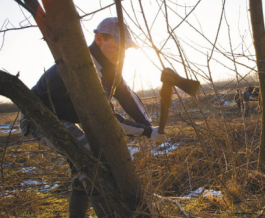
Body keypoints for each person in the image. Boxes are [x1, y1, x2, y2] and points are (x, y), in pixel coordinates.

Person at [20, 17, 165, 218]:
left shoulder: (109, 69)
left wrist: (149, 125)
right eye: (119, 47)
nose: (122, 53)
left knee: (82, 170)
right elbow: (106, 119)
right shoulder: (82, 68)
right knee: (89, 159)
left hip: (64, 119)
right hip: (37, 117)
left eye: (126, 49)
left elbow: (127, 97)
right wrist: (148, 132)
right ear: (99, 39)